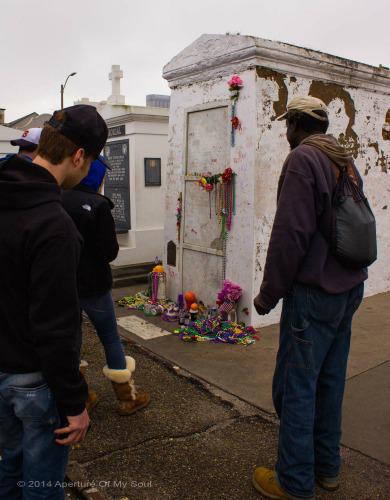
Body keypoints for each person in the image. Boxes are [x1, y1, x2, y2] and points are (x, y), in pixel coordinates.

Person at [252, 96, 368, 499]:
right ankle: (327, 469)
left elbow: (290, 235)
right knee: (330, 381)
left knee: (297, 387)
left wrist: (268, 294)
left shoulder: (303, 159)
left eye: (289, 126)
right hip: (349, 288)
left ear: (299, 125)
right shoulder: (343, 158)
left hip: (315, 294)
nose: (286, 134)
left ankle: (294, 483)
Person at [0, 104, 108, 500]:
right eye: (91, 160)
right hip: (33, 379)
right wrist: (75, 402)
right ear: (79, 156)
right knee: (42, 484)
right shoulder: (53, 224)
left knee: (9, 465)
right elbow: (55, 326)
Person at [62, 156, 150, 416]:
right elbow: (109, 252)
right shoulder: (98, 205)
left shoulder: (58, 198)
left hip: (66, 284)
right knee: (110, 338)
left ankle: (83, 396)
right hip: (95, 285)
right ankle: (127, 399)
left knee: (72, 341)